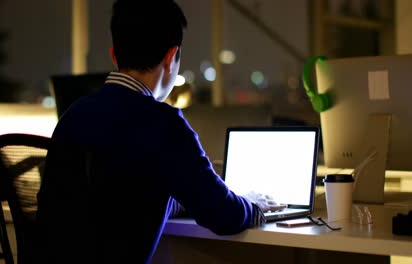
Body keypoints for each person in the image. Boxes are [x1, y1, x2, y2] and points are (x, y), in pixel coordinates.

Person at [36, 0, 285, 263]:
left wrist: (183, 196)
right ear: (170, 57)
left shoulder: (73, 115)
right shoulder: (162, 122)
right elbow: (223, 215)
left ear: (114, 55)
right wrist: (254, 205)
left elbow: (116, 198)